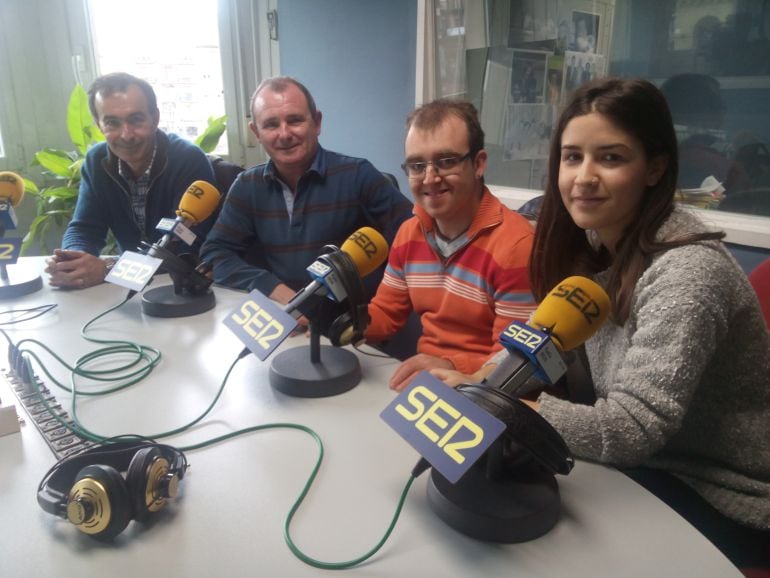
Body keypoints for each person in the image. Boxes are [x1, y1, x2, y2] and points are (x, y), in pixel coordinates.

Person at [433, 78, 770, 567]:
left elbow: (633, 428)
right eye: (572, 157)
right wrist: (489, 381)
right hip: (638, 469)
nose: (583, 177)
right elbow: (556, 357)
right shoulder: (593, 250)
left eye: (610, 158)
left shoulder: (690, 273)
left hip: (719, 493)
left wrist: (503, 409)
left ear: (654, 168)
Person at [199, 76, 412, 328]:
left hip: (352, 330)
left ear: (317, 122)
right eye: (270, 124)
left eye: (295, 120)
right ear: (256, 132)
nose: (284, 134)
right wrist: (274, 289)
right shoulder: (247, 186)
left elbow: (414, 239)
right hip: (284, 322)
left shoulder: (358, 175)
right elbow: (214, 254)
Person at [365, 99, 536, 392]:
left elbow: (512, 361)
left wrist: (453, 365)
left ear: (478, 163)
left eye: (446, 161)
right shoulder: (408, 234)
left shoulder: (517, 246)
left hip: (486, 391)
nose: (430, 178)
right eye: (417, 166)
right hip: (427, 380)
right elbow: (385, 315)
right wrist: (341, 317)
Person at [45, 72, 216, 289]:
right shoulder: (96, 161)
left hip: (178, 285)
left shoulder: (187, 159)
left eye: (136, 119)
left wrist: (108, 269)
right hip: (125, 287)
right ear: (99, 125)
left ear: (155, 118)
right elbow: (85, 227)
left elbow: (184, 248)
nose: (126, 134)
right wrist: (73, 262)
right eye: (112, 123)